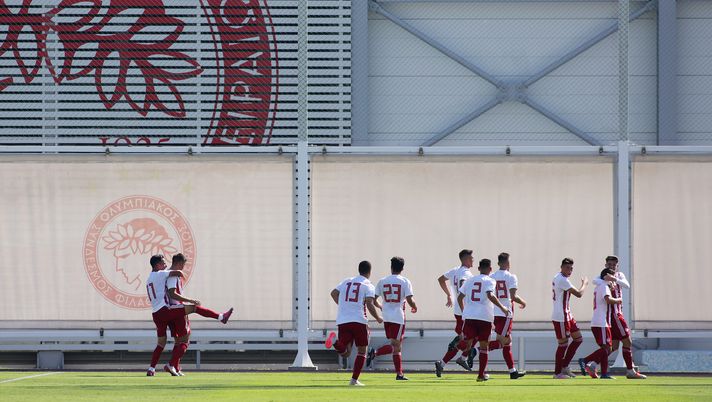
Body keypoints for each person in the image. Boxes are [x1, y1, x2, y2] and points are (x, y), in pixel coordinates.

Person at [164, 253, 234, 375]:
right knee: (185, 340)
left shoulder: (167, 274)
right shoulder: (173, 275)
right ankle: (221, 317)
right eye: (183, 265)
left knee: (178, 341)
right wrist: (189, 300)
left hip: (171, 311)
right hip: (178, 310)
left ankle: (175, 367)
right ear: (179, 263)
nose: (183, 267)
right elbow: (172, 293)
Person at [324, 261, 384, 386]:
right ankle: (354, 380)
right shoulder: (368, 285)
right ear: (369, 272)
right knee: (362, 351)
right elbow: (369, 304)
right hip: (359, 321)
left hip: (343, 320)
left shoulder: (346, 281)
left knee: (345, 352)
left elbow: (333, 293)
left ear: (359, 270)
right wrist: (378, 317)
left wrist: (344, 306)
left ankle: (335, 342)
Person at [591, 255, 646, 379]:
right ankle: (630, 371)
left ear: (617, 266)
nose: (611, 267)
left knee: (614, 347)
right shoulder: (602, 277)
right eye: (609, 264)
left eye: (614, 265)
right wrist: (606, 278)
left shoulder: (619, 275)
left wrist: (613, 279)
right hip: (615, 315)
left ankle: (593, 364)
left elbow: (626, 285)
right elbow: (595, 281)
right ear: (605, 265)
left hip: (614, 316)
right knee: (628, 342)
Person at [456, 258, 511, 382]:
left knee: (468, 343)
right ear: (490, 269)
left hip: (470, 315)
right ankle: (481, 375)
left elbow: (460, 297)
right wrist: (502, 307)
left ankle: (458, 344)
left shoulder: (469, 280)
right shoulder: (491, 280)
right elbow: (490, 295)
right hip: (484, 317)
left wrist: (464, 310)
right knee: (484, 346)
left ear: (479, 268)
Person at [367, 256, 417, 380]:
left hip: (387, 316)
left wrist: (381, 307)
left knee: (395, 344)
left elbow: (373, 299)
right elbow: (409, 299)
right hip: (398, 316)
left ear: (391, 267)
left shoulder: (382, 280)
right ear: (402, 268)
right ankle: (397, 372)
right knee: (397, 345)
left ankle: (397, 372)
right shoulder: (405, 281)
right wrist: (414, 306)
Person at [434, 249, 477, 377]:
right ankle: (457, 353)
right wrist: (466, 311)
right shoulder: (466, 273)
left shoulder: (454, 270)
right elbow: (462, 284)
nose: (472, 260)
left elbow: (441, 279)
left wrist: (449, 295)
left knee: (472, 339)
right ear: (465, 259)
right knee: (471, 339)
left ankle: (449, 361)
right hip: (465, 313)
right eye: (471, 258)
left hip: (459, 312)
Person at [145, 254, 187, 377]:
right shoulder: (160, 274)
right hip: (165, 311)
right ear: (157, 265)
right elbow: (175, 272)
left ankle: (151, 368)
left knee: (161, 343)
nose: (165, 265)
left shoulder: (149, 279)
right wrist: (181, 273)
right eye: (163, 263)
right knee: (193, 308)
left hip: (155, 313)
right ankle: (220, 317)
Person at [487, 252, 526, 379]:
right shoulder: (511, 277)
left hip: (495, 312)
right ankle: (475, 350)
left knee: (507, 343)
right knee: (505, 341)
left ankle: (512, 371)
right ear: (508, 263)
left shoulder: (492, 276)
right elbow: (513, 296)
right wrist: (523, 302)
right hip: (505, 313)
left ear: (498, 263)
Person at [578, 268, 621, 379]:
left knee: (605, 348)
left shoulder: (600, 286)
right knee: (607, 348)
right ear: (607, 277)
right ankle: (585, 360)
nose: (613, 281)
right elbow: (608, 300)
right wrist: (618, 300)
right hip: (601, 322)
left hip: (599, 322)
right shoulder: (604, 286)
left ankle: (604, 374)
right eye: (612, 278)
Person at [551, 257, 589, 379]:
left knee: (578, 339)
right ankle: (557, 373)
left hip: (567, 315)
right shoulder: (562, 280)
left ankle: (564, 366)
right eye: (567, 268)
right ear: (561, 267)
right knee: (563, 344)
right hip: (560, 316)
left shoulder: (560, 277)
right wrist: (584, 284)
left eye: (571, 268)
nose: (569, 270)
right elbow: (579, 294)